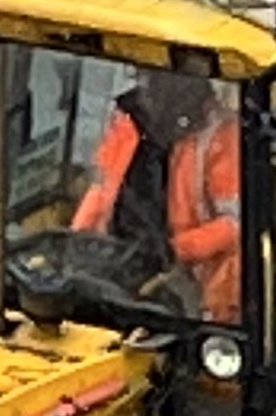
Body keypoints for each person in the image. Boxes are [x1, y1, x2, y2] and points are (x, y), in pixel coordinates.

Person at [70, 66, 243, 319]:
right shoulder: (128, 122)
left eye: (164, 80)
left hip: (194, 287)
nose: (151, 88)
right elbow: (102, 189)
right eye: (148, 77)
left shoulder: (221, 135)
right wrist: (76, 241)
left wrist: (174, 251)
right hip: (122, 261)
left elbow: (236, 225)